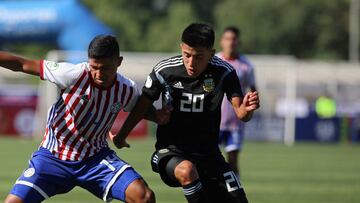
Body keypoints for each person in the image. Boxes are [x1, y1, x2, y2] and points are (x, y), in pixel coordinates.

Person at [1, 35, 166, 203]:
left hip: (95, 159)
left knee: (144, 196)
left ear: (119, 61)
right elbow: (22, 64)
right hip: (53, 157)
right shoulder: (72, 74)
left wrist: (157, 116)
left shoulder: (126, 89)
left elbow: (141, 108)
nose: (98, 74)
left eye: (105, 68)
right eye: (94, 67)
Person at [112, 23, 260, 203]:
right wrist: (121, 136)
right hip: (171, 153)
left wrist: (248, 108)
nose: (191, 62)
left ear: (211, 54)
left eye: (198, 57)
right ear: (181, 47)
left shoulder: (224, 72)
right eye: (187, 55)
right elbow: (141, 106)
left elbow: (242, 114)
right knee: (187, 171)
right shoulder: (165, 71)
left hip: (210, 156)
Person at [217, 26, 257, 178]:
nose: (230, 42)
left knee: (232, 159)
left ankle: (235, 193)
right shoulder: (215, 62)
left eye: (233, 39)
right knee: (210, 159)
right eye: (227, 39)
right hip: (215, 121)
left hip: (235, 123)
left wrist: (251, 106)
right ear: (222, 41)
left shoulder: (246, 65)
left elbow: (252, 90)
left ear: (238, 42)